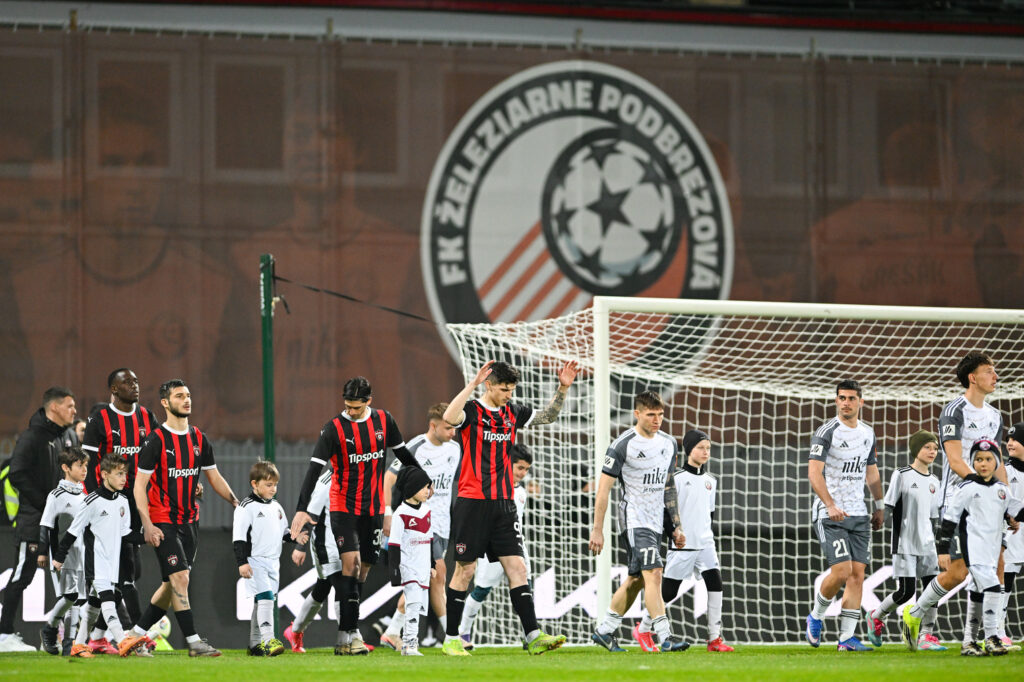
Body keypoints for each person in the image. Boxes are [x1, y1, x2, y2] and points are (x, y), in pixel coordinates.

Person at [440, 359, 578, 656]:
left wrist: (563, 389)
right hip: (472, 502)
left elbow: (548, 417)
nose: (509, 395)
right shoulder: (472, 411)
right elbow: (449, 417)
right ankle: (451, 638)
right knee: (465, 571)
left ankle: (533, 635)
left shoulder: (513, 412)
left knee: (518, 568)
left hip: (504, 505)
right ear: (489, 385)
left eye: (512, 389)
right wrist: (472, 384)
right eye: (504, 389)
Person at [289, 376, 423, 656]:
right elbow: (313, 470)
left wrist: (424, 480)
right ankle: (350, 638)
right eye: (347, 406)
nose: (350, 411)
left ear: (369, 401)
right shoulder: (333, 429)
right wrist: (301, 509)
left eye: (356, 407)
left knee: (361, 573)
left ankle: (344, 636)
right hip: (343, 509)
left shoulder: (384, 421)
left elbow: (403, 455)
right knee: (349, 567)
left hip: (373, 509)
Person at [124, 379, 240, 657]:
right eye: (179, 396)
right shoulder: (155, 441)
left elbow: (214, 477)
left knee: (171, 584)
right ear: (165, 403)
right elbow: (139, 486)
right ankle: (194, 642)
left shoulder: (199, 438)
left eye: (188, 395)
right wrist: (147, 524)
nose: (186, 400)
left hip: (190, 522)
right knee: (180, 578)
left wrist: (236, 502)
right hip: (163, 521)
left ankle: (132, 636)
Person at [902, 439, 1024, 656]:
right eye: (978, 459)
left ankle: (968, 642)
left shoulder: (1001, 490)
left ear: (996, 463)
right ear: (972, 463)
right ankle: (992, 637)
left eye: (988, 459)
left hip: (990, 551)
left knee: (977, 592)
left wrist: (1011, 518)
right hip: (973, 550)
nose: (983, 463)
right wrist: (943, 550)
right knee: (993, 587)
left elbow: (1015, 510)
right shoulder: (967, 488)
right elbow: (949, 521)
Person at [589, 390, 688, 653]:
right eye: (651, 414)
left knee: (636, 579)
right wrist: (597, 529)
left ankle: (604, 631)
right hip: (634, 519)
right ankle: (665, 637)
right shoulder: (623, 444)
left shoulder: (669, 443)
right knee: (654, 573)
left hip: (656, 522)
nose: (657, 420)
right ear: (637, 414)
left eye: (661, 414)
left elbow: (668, 486)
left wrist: (675, 525)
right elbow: (603, 489)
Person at [635, 430, 734, 652]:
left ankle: (714, 639)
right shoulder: (676, 479)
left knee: (716, 584)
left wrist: (706, 536)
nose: (705, 452)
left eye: (708, 448)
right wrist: (673, 533)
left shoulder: (711, 481)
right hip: (683, 545)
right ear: (689, 450)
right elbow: (664, 512)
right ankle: (643, 628)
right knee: (669, 592)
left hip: (706, 544)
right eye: (700, 448)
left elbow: (709, 515)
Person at [805, 379, 884, 652]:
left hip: (859, 513)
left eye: (851, 398)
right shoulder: (827, 431)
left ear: (861, 402)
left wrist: (879, 505)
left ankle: (846, 638)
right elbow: (814, 472)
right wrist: (829, 504)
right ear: (836, 400)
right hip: (831, 514)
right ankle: (816, 616)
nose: (846, 403)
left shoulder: (868, 433)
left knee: (858, 576)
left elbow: (871, 471)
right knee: (841, 572)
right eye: (842, 398)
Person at [0, 386, 78, 652]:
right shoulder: (32, 437)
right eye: (69, 406)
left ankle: (56, 637)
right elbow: (16, 473)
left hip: (62, 524)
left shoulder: (68, 436)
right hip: (34, 521)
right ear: (54, 407)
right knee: (22, 575)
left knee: (67, 582)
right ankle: (3, 635)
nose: (74, 411)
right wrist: (47, 504)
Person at [936, 351, 1005, 653]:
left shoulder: (995, 416)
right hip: (958, 500)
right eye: (989, 370)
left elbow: (997, 463)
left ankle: (988, 636)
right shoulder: (954, 411)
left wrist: (1005, 499)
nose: (996, 376)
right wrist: (982, 486)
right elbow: (954, 460)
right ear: (972, 377)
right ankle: (917, 611)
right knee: (959, 573)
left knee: (993, 566)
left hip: (987, 504)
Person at [379, 402, 461, 650]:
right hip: (418, 523)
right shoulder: (415, 447)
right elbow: (388, 479)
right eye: (448, 428)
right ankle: (452, 637)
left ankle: (392, 632)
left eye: (454, 428)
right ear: (433, 426)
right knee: (439, 574)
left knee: (423, 579)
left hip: (443, 524)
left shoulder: (455, 449)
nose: (453, 433)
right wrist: (388, 514)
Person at [82, 368, 160, 627]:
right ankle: (136, 632)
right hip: (110, 505)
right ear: (114, 389)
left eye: (136, 381)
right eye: (127, 382)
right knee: (123, 573)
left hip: (138, 503)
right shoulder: (100, 419)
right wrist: (97, 500)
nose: (134, 385)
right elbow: (88, 464)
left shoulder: (147, 417)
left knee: (130, 571)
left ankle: (94, 634)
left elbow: (160, 457)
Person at [52, 455, 148, 657]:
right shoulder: (91, 501)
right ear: (105, 474)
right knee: (108, 601)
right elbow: (72, 531)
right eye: (119, 474)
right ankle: (122, 640)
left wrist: (147, 537)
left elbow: (125, 533)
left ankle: (79, 645)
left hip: (113, 563)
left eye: (125, 474)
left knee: (94, 606)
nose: (124, 478)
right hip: (96, 562)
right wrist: (60, 557)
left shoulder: (123, 501)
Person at [865, 430, 944, 650]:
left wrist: (937, 543)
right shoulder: (901, 474)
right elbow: (889, 505)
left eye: (935, 448)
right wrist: (879, 520)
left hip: (928, 544)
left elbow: (934, 517)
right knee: (906, 592)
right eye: (927, 447)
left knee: (932, 589)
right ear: (916, 449)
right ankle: (876, 616)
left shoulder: (935, 481)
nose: (932, 452)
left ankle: (926, 636)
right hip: (905, 542)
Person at [458, 444, 533, 650]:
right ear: (508, 464)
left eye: (526, 469)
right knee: (481, 591)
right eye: (520, 467)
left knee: (525, 588)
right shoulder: (493, 488)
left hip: (516, 546)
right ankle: (463, 633)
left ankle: (530, 634)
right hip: (493, 547)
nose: (523, 473)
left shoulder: (521, 492)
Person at [233, 460, 306, 657]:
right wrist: (242, 562)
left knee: (263, 601)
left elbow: (283, 533)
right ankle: (269, 640)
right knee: (265, 597)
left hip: (274, 562)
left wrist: (295, 537)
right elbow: (239, 539)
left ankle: (255, 643)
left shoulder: (277, 507)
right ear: (254, 484)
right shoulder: (245, 507)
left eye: (275, 484)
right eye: (268, 484)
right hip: (255, 560)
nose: (273, 489)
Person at [37, 447, 89, 655]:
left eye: (86, 465)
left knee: (77, 599)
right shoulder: (56, 495)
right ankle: (51, 630)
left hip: (81, 553)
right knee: (70, 596)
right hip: (62, 554)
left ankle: (68, 643)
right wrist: (43, 552)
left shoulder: (84, 494)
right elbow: (46, 524)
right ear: (66, 468)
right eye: (80, 465)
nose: (84, 470)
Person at [283, 469, 340, 654]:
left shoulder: (353, 472)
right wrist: (300, 547)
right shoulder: (326, 481)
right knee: (342, 584)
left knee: (323, 587)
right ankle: (350, 637)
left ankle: (295, 630)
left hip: (344, 540)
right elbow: (310, 514)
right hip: (326, 542)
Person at [387, 466, 436, 656]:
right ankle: (409, 644)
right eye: (424, 487)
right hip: (408, 567)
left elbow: (429, 539)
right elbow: (394, 544)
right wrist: (394, 571)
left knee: (418, 606)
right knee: (413, 604)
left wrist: (432, 564)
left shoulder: (427, 511)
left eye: (428, 487)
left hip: (423, 567)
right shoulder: (400, 514)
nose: (427, 491)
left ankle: (409, 643)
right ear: (412, 488)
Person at [1001, 422, 1024, 649]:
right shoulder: (1006, 471)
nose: (1010, 443)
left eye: (1015, 439)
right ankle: (998, 630)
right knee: (1005, 581)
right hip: (1012, 533)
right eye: (1008, 439)